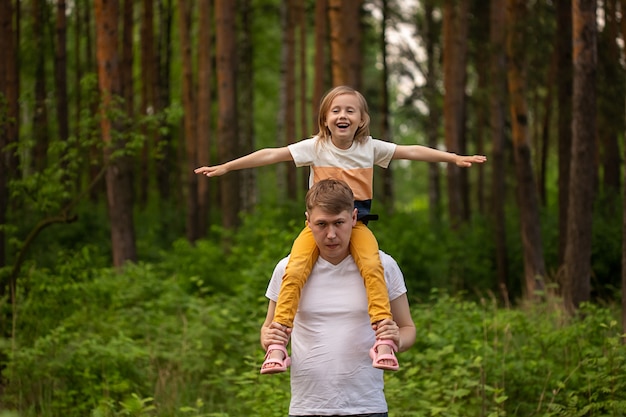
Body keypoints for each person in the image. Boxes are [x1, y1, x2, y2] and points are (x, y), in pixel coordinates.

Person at [195, 85, 486, 372]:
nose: (342, 115)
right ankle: (277, 342)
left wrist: (453, 158)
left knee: (373, 266)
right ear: (325, 119)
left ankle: (384, 340)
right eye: (335, 110)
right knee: (294, 269)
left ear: (361, 120)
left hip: (356, 225)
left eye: (350, 110)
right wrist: (227, 167)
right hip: (317, 227)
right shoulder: (315, 148)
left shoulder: (369, 148)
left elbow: (411, 151)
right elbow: (272, 155)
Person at [261, 178, 417, 416]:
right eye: (321, 224)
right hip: (307, 408)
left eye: (339, 223)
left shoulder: (384, 265)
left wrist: (397, 339)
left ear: (354, 218)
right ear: (308, 222)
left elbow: (407, 328)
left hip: (367, 407)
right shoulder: (287, 269)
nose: (331, 234)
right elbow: (267, 331)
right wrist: (268, 337)